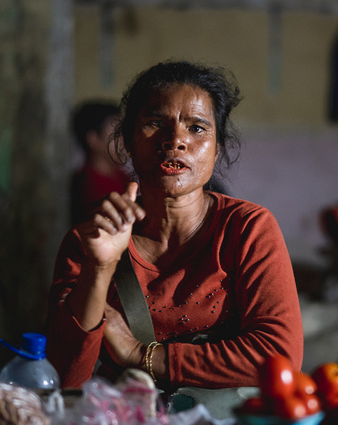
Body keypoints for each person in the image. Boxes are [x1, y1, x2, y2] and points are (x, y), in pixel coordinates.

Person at [44, 61, 302, 389]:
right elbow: (64, 380)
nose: (175, 140)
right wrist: (100, 268)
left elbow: (280, 359)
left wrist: (141, 355)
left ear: (217, 148)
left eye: (196, 127)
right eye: (155, 123)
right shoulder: (90, 240)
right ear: (127, 141)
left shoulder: (247, 228)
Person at [70, 101, 129, 226]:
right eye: (115, 133)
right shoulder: (88, 187)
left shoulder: (124, 177)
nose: (123, 139)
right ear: (94, 139)